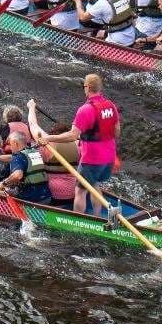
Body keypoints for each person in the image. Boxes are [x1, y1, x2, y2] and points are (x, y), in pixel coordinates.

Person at [31, 75, 120, 219]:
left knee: (80, 190)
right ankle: (97, 216)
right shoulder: (111, 106)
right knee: (94, 184)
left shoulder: (85, 109)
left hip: (92, 158)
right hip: (109, 156)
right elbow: (116, 132)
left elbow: (72, 136)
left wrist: (49, 138)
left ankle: (78, 220)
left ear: (87, 88)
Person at [73, 0, 138, 46]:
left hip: (117, 41)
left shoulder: (103, 3)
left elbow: (83, 18)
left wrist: (77, 0)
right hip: (131, 36)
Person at [0, 132, 53, 204]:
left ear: (15, 143)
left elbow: (17, 175)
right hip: (46, 197)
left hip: (31, 199)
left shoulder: (18, 157)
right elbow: (13, 158)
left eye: (10, 144)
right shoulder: (34, 151)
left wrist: (3, 184)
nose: (10, 147)